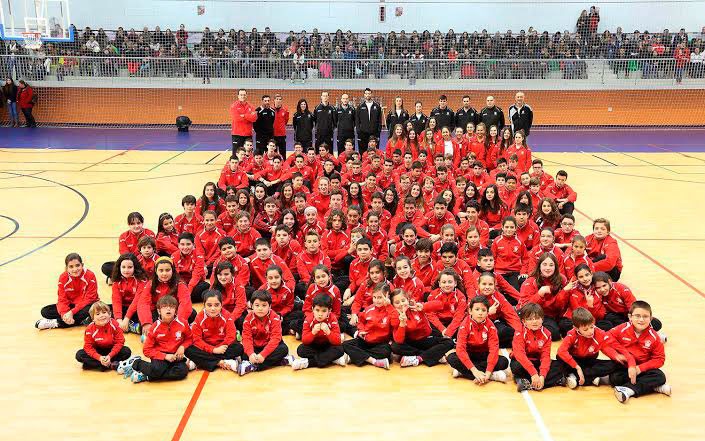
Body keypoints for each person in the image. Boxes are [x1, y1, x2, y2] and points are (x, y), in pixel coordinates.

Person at [609, 301, 671, 403]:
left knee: (660, 376)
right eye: (637, 316)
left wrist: (639, 369)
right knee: (615, 377)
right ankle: (654, 387)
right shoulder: (621, 329)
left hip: (642, 369)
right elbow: (606, 340)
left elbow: (659, 359)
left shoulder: (654, 337)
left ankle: (627, 390)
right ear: (630, 317)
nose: (641, 320)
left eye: (645, 316)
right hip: (625, 367)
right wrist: (616, 355)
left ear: (650, 319)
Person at [122, 295, 194, 383]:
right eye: (164, 307)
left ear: (175, 310)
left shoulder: (183, 323)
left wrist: (182, 347)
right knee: (157, 369)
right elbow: (147, 350)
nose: (168, 309)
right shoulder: (154, 328)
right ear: (159, 311)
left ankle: (147, 376)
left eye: (171, 307)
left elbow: (190, 339)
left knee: (182, 372)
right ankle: (137, 363)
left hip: (176, 356)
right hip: (160, 356)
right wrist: (164, 356)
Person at [557, 307, 630, 389]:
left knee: (616, 364)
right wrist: (577, 367)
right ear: (576, 328)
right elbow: (561, 351)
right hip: (574, 360)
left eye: (592, 327)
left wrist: (616, 356)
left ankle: (575, 376)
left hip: (589, 361)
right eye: (585, 329)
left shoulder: (598, 332)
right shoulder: (571, 334)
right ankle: (588, 377)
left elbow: (605, 346)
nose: (590, 331)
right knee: (560, 358)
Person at [447, 295, 510, 383]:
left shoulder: (491, 326)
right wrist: (474, 371)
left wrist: (488, 372)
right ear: (470, 311)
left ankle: (463, 372)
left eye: (483, 310)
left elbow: (494, 349)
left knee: (504, 361)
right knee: (451, 358)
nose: (480, 313)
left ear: (488, 312)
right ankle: (492, 376)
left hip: (484, 355)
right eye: (477, 309)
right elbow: (460, 349)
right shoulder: (464, 325)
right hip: (469, 354)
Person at [390, 288, 455, 367]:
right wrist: (402, 324)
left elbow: (440, 305)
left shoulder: (416, 307)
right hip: (410, 343)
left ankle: (418, 358)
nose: (401, 304)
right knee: (395, 347)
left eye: (403, 300)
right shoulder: (394, 316)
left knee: (449, 342)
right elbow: (399, 340)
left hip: (426, 339)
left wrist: (424, 306)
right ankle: (433, 355)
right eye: (397, 303)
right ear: (393, 305)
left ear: (407, 300)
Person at [511, 302, 567, 392]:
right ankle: (553, 381)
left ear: (542, 319)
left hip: (538, 362)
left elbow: (545, 357)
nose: (534, 322)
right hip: (523, 362)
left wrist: (542, 376)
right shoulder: (519, 332)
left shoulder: (547, 334)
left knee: (561, 365)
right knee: (517, 367)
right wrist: (534, 374)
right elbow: (520, 355)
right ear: (523, 321)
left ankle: (527, 382)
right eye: (530, 319)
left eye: (537, 318)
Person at [36, 253, 99, 330]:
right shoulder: (63, 277)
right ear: (66, 268)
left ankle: (57, 323)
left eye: (77, 265)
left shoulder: (90, 275)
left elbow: (90, 298)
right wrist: (64, 314)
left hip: (86, 305)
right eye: (71, 267)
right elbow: (62, 299)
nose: (75, 269)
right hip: (71, 306)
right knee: (45, 311)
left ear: (82, 265)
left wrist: (71, 313)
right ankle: (82, 320)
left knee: (91, 310)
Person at [184, 290, 243, 372]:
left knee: (239, 348)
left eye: (216, 305)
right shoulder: (199, 317)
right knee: (188, 349)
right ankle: (220, 362)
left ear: (221, 305)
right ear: (204, 305)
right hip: (206, 347)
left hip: (222, 347)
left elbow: (231, 336)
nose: (213, 308)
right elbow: (196, 339)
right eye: (209, 305)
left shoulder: (227, 316)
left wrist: (219, 348)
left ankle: (199, 361)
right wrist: (213, 350)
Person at [238, 290, 292, 375]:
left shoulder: (274, 317)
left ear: (270, 306)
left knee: (283, 349)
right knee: (243, 353)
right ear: (251, 306)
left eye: (264, 305)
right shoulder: (248, 318)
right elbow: (246, 338)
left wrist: (263, 355)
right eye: (257, 305)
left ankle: (254, 367)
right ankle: (280, 361)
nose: (260, 308)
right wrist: (251, 353)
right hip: (255, 346)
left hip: (269, 345)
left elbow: (275, 338)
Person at [342, 282, 394, 369]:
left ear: (387, 297)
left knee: (386, 352)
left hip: (380, 344)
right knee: (345, 345)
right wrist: (361, 331)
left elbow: (395, 324)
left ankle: (357, 356)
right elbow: (360, 321)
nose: (376, 300)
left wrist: (389, 306)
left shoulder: (391, 311)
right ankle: (374, 361)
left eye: (380, 297)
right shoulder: (369, 309)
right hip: (365, 341)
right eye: (374, 297)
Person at [292, 294, 347, 370]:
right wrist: (313, 332)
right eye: (317, 310)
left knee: (340, 349)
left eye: (324, 311)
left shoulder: (333, 318)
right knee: (301, 350)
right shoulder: (308, 319)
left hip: (328, 345)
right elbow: (305, 341)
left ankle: (308, 363)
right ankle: (332, 359)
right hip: (314, 345)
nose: (320, 314)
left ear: (329, 311)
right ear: (312, 309)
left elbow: (337, 341)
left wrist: (328, 332)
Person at [75, 301, 134, 371]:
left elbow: (119, 342)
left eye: (104, 312)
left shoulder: (115, 325)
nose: (101, 315)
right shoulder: (89, 329)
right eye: (97, 314)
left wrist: (110, 355)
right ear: (93, 318)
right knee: (79, 355)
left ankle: (96, 365)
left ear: (109, 314)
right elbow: (88, 347)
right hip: (97, 351)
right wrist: (99, 358)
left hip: (111, 351)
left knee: (126, 351)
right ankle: (109, 365)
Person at [585, 218, 623, 282]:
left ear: (608, 232)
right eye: (596, 228)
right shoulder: (588, 238)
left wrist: (588, 268)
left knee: (603, 257)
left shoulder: (611, 243)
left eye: (602, 229)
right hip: (593, 267)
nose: (599, 231)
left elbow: (610, 263)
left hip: (612, 271)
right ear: (593, 230)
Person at [229, 89, 258, 155]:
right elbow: (236, 118)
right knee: (236, 154)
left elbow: (254, 118)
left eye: (244, 95)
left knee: (248, 154)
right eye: (241, 95)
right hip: (237, 134)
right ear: (238, 96)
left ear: (246, 95)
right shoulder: (234, 106)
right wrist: (248, 116)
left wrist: (244, 115)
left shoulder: (251, 106)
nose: (243, 96)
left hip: (248, 134)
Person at [355, 88, 382, 155]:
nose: (368, 95)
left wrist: (378, 130)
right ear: (364, 95)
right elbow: (357, 120)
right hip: (363, 133)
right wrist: (358, 130)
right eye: (366, 93)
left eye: (369, 93)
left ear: (371, 94)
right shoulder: (360, 106)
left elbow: (379, 120)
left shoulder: (377, 106)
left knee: (374, 150)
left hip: (374, 132)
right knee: (362, 151)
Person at [272, 94, 289, 158]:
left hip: (282, 135)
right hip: (273, 134)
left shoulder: (285, 110)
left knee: (283, 153)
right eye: (277, 99)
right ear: (274, 100)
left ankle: (284, 166)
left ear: (281, 100)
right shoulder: (271, 109)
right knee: (274, 153)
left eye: (280, 99)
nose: (278, 101)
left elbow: (286, 120)